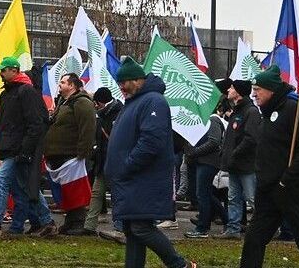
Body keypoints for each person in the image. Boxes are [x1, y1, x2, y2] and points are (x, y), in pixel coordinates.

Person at [237, 65, 299, 268]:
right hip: (268, 189)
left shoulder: (293, 109)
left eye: (258, 89)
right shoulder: (266, 111)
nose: (254, 94)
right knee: (254, 238)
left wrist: (286, 179)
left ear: (271, 90)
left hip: (290, 189)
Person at [105, 58, 194, 268]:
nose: (121, 87)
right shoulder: (134, 102)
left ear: (138, 80)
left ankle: (179, 265)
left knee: (140, 228)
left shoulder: (154, 101)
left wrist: (127, 165)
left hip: (143, 178)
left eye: (124, 82)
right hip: (130, 180)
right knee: (132, 228)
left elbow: (151, 142)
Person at [0, 56, 54, 239]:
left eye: (3, 70)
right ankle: (47, 221)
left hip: (18, 149)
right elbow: (3, 126)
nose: (0, 73)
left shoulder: (25, 92)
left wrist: (25, 151)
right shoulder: (10, 93)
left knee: (1, 183)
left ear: (14, 70)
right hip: (13, 149)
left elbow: (35, 124)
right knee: (25, 187)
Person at [45, 72, 96, 235]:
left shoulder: (82, 103)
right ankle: (70, 221)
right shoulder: (63, 102)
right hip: (58, 153)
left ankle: (78, 222)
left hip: (72, 155)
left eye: (63, 82)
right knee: (66, 191)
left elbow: (87, 129)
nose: (59, 84)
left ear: (72, 85)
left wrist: (83, 152)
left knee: (75, 190)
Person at [220, 78, 260, 238]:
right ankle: (233, 229)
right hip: (234, 164)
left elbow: (250, 138)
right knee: (233, 198)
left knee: (253, 198)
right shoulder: (237, 111)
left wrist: (235, 153)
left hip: (246, 165)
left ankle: (267, 227)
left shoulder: (251, 112)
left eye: (231, 88)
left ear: (238, 92)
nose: (228, 90)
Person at [184, 100, 227, 238]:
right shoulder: (204, 120)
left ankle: (202, 227)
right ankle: (227, 221)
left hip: (208, 162)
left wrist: (195, 151)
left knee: (202, 194)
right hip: (203, 161)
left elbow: (214, 142)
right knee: (206, 194)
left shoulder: (212, 120)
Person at [87, 86, 123, 240]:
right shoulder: (104, 114)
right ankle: (89, 226)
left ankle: (119, 227)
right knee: (96, 192)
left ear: (100, 102)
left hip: (114, 160)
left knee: (117, 195)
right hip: (103, 159)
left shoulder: (117, 113)